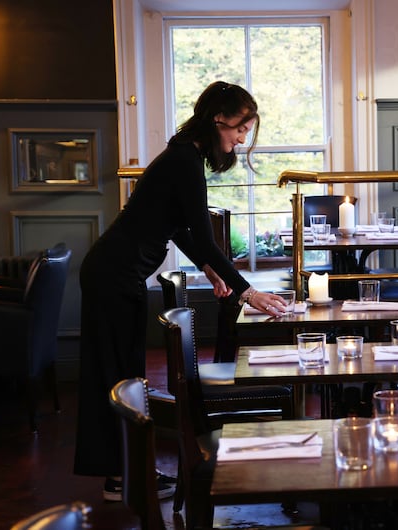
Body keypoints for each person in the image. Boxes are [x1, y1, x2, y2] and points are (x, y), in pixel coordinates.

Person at [73, 81, 287, 501]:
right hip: (114, 275)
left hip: (119, 273)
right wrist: (249, 293)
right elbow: (203, 238)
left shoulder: (184, 155)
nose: (243, 138)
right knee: (118, 378)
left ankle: (129, 473)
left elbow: (182, 230)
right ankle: (122, 479)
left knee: (127, 373)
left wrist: (211, 270)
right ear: (218, 119)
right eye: (241, 128)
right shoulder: (184, 161)